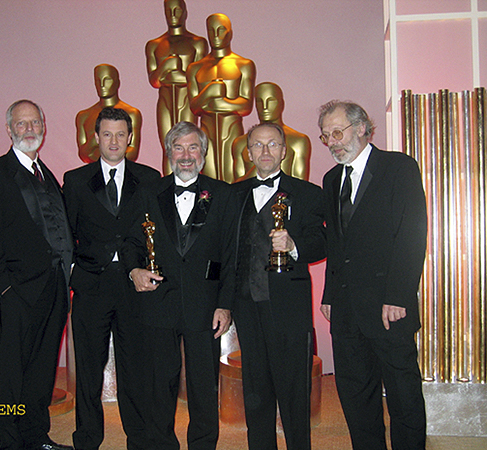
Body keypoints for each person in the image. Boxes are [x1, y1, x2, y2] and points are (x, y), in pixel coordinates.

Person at [319, 100, 427, 450]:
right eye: (326, 136)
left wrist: (398, 295)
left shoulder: (398, 167)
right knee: (355, 395)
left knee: (402, 395)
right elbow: (336, 245)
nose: (333, 141)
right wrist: (330, 296)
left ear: (363, 128)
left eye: (338, 132)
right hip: (346, 310)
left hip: (387, 306)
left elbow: (412, 234)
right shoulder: (331, 179)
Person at [122, 121, 237, 450]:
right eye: (178, 147)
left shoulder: (222, 193)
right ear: (168, 151)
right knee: (160, 384)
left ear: (203, 153)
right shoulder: (149, 192)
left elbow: (230, 255)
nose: (185, 155)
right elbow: (131, 241)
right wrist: (134, 270)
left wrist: (225, 304)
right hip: (159, 302)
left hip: (206, 305)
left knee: (203, 386)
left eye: (193, 148)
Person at [0, 99, 74, 450]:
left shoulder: (47, 175)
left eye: (35, 123)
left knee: (43, 371)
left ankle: (34, 436)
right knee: (11, 376)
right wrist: (3, 292)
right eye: (22, 124)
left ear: (43, 127)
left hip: (54, 290)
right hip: (17, 293)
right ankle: (5, 443)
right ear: (9, 129)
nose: (29, 129)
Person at [63, 107, 160, 450]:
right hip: (91, 285)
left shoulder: (150, 178)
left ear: (130, 138)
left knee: (136, 369)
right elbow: (66, 233)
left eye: (121, 134)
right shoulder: (75, 180)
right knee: (88, 370)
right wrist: (74, 272)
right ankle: (87, 439)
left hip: (135, 288)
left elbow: (156, 234)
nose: (114, 141)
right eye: (107, 134)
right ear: (96, 137)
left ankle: (140, 439)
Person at [232, 122, 325, 450]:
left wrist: (294, 245)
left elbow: (322, 241)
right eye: (258, 145)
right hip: (247, 304)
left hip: (289, 307)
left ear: (285, 152)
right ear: (249, 152)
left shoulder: (308, 193)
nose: (266, 151)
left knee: (293, 389)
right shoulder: (233, 194)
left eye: (273, 145)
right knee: (255, 388)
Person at [186, 13, 256, 182]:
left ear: (229, 33)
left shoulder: (243, 65)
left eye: (221, 30)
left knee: (233, 177)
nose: (216, 35)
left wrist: (219, 102)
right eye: (211, 30)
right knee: (208, 180)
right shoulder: (195, 68)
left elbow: (246, 106)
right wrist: (210, 91)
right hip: (206, 130)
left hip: (232, 128)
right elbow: (194, 107)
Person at [145, 0, 208, 175]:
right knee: (169, 148)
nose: (173, 14)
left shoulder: (197, 42)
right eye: (169, 10)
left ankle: (196, 190)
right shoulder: (155, 44)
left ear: (184, 12)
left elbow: (198, 79)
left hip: (187, 98)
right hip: (165, 98)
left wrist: (175, 73)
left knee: (191, 145)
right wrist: (166, 66)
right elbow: (154, 80)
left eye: (177, 10)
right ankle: (168, 190)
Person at [232, 82, 311, 182]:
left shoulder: (298, 141)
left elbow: (300, 186)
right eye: (259, 102)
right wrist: (261, 164)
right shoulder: (240, 143)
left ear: (281, 104)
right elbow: (236, 188)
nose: (265, 107)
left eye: (271, 101)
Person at [75, 64, 143, 163]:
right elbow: (83, 154)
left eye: (107, 80)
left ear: (117, 83)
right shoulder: (83, 116)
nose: (102, 85)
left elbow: (132, 152)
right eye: (98, 81)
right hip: (93, 174)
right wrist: (93, 142)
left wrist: (96, 149)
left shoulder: (132, 113)